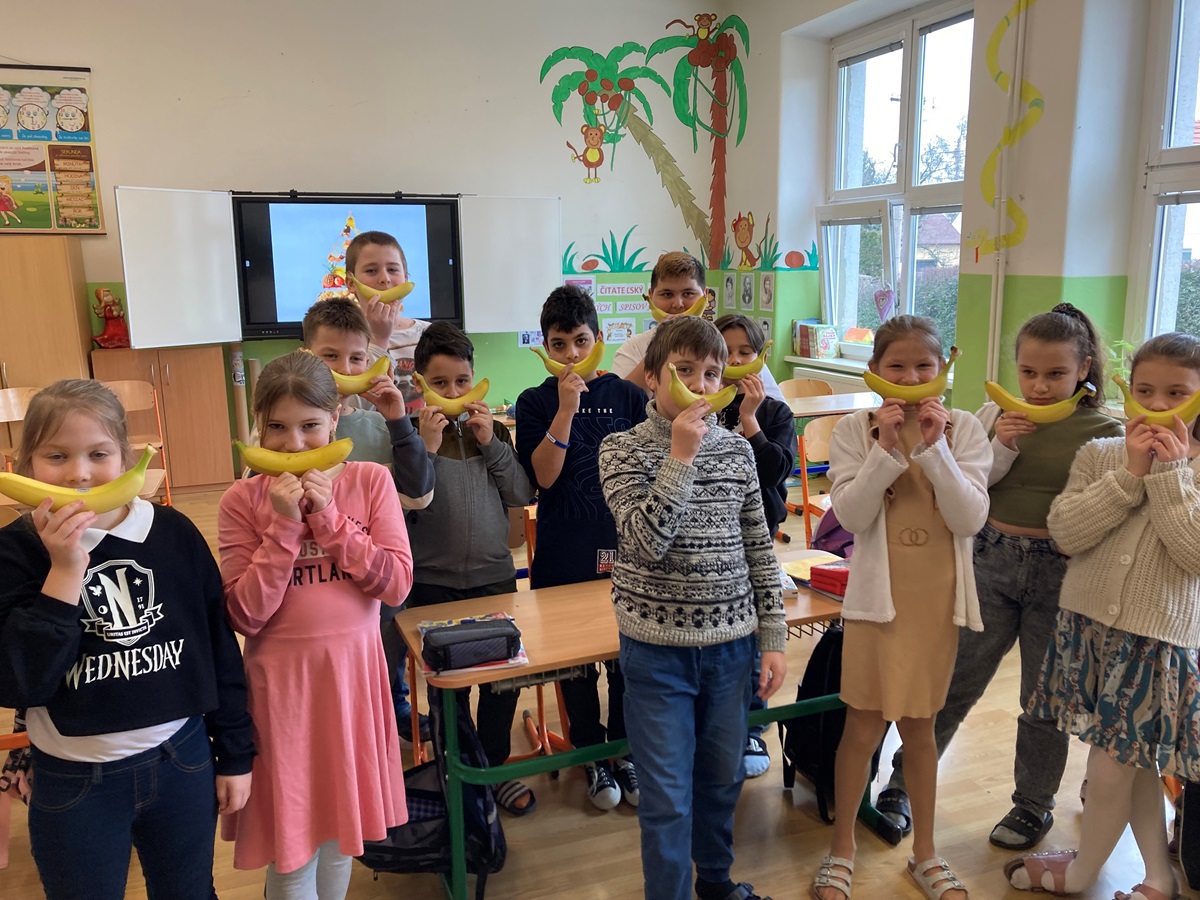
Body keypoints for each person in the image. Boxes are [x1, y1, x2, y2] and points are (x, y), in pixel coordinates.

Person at [0, 379, 255, 900]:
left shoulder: (174, 533)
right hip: (73, 777)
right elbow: (19, 682)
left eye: (98, 454)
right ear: (25, 466)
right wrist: (64, 572)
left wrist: (235, 754)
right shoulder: (16, 551)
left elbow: (217, 648)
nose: (79, 472)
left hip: (181, 757)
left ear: (124, 458)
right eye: (56, 456)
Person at [884, 303, 1123, 851]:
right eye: (1029, 372)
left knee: (1044, 699)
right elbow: (966, 491)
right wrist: (1003, 444)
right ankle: (903, 783)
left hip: (1063, 575)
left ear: (1084, 369)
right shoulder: (992, 417)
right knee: (951, 681)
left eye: (1056, 374)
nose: (1039, 386)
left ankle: (1033, 804)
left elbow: (1105, 512)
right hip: (989, 561)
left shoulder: (1108, 432)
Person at [1004, 332, 1200, 900]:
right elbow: (1066, 533)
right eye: (1144, 390)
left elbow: (1194, 554)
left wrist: (1169, 477)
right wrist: (1130, 475)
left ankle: (1083, 873)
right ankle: (1158, 878)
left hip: (1155, 642)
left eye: (1177, 393)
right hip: (1088, 629)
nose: (1157, 405)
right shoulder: (1101, 454)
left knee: (1110, 766)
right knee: (1131, 764)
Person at [599, 315, 787, 900]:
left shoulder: (738, 451)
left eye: (711, 374)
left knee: (721, 779)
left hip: (732, 647)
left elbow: (758, 546)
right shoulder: (621, 449)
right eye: (684, 370)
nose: (700, 385)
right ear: (653, 378)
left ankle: (716, 882)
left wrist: (773, 636)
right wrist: (680, 457)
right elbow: (645, 542)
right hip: (656, 651)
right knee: (666, 795)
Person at [219, 351, 411, 898]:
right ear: (258, 427)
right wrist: (283, 528)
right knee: (293, 846)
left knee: (341, 837)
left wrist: (328, 520)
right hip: (280, 693)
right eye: (276, 428)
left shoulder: (371, 481)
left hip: (353, 682)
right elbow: (244, 614)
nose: (294, 443)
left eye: (309, 425)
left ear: (336, 418)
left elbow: (396, 585)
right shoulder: (241, 500)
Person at [812, 315, 990, 900]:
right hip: (875, 606)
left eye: (923, 366)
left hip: (934, 605)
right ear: (874, 371)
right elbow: (852, 515)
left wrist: (935, 450)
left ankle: (927, 853)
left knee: (921, 729)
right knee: (861, 727)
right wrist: (884, 450)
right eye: (897, 366)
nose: (911, 378)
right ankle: (842, 848)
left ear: (942, 369)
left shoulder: (964, 429)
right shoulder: (853, 430)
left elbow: (969, 518)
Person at [515, 285, 647, 810]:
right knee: (574, 667)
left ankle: (624, 750)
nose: (571, 355)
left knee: (625, 661)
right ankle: (590, 753)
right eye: (559, 344)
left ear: (598, 339)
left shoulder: (629, 397)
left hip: (624, 552)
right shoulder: (535, 401)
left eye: (580, 341)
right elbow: (543, 479)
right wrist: (566, 410)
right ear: (545, 347)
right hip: (563, 552)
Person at [407, 322, 537, 815]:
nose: (453, 392)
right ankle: (457, 773)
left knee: (503, 681)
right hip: (432, 584)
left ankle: (494, 768)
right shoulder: (410, 437)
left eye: (462, 381)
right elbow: (407, 505)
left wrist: (492, 444)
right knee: (448, 691)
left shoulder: (495, 431)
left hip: (493, 578)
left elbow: (520, 493)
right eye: (440, 383)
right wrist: (425, 448)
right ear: (421, 383)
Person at [301, 297, 435, 745]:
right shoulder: (284, 430)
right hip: (311, 581)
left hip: (376, 576)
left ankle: (393, 711)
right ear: (305, 357)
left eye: (356, 358)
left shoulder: (380, 426)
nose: (345, 368)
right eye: (330, 356)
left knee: (385, 656)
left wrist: (398, 421)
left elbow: (419, 494)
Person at [714, 313, 796, 779]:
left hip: (757, 531)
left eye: (746, 352)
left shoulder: (774, 412)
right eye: (726, 353)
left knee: (753, 630)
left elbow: (774, 473)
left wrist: (749, 419)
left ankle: (750, 724)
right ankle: (715, 718)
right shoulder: (700, 405)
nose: (736, 361)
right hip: (709, 535)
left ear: (760, 357)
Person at [611, 251, 785, 401]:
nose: (678, 304)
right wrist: (660, 341)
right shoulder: (633, 349)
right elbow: (620, 404)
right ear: (651, 297)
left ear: (705, 295)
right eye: (667, 294)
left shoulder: (727, 344)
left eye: (688, 293)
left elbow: (777, 405)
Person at [348, 229, 430, 411]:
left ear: (405, 278)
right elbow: (352, 410)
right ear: (351, 283)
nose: (385, 279)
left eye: (392, 269)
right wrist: (379, 339)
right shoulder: (341, 341)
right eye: (371, 270)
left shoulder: (429, 334)